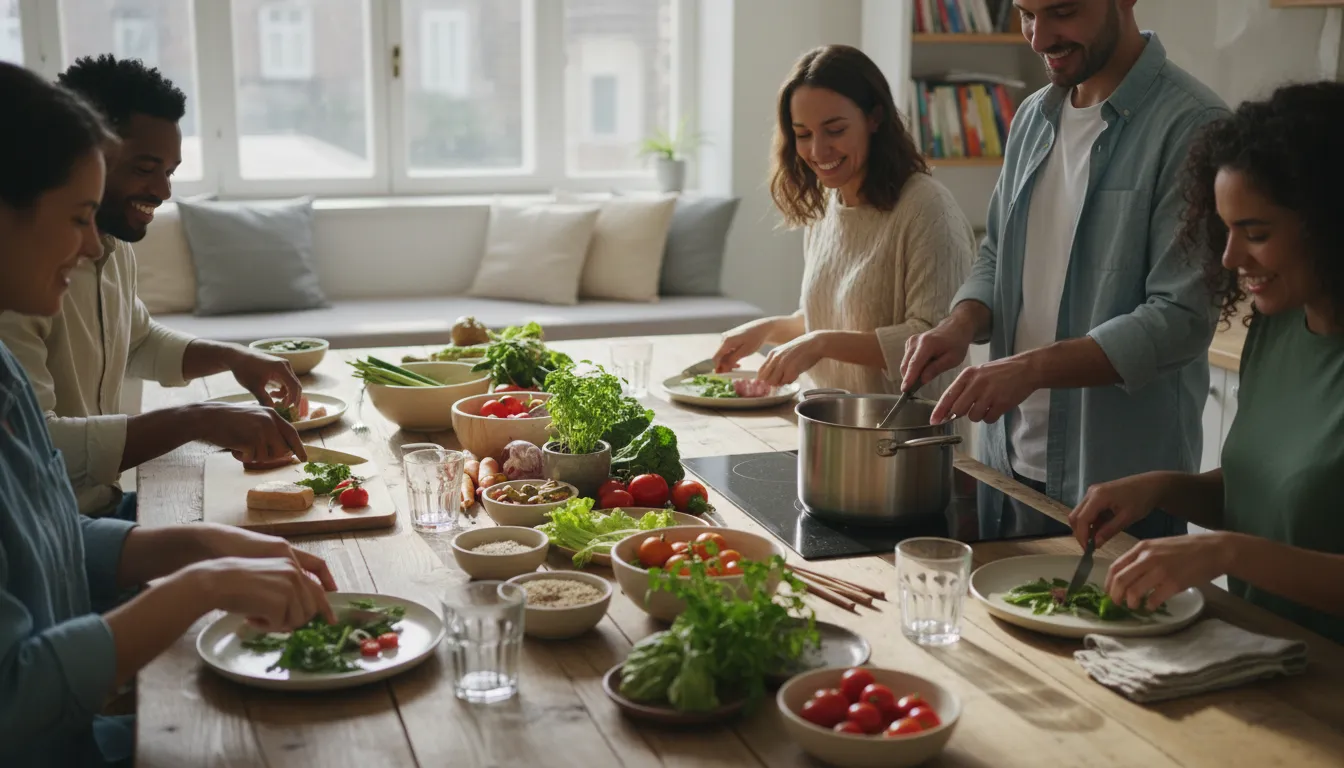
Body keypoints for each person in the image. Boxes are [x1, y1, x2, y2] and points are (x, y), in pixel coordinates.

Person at [0, 61, 337, 768]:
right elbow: (14, 702)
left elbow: (54, 534)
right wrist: (201, 584)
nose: (93, 244)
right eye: (76, 217)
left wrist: (202, 546)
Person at [900, 0, 1227, 537]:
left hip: (1119, 487)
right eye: (1027, 13)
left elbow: (1180, 318)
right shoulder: (1032, 116)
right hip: (1006, 465)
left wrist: (1030, 370)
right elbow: (998, 251)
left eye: (1063, 12)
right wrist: (960, 323)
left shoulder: (1194, 126)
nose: (1038, 37)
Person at [1070, 82, 1344, 643]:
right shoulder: (1277, 324)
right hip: (1261, 655)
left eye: (1257, 233)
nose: (1230, 257)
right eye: (1226, 229)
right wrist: (1161, 488)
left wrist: (1226, 551)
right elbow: (1271, 499)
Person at [0, 55, 307, 521]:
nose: (163, 191)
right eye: (145, 168)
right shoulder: (26, 278)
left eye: (170, 171)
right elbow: (36, 451)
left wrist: (231, 356)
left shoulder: (112, 243)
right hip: (65, 521)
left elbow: (137, 340)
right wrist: (196, 419)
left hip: (101, 508)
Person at [712, 45, 975, 400]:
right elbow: (834, 319)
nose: (818, 152)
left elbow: (932, 340)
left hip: (909, 438)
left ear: (874, 118)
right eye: (803, 134)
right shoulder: (825, 203)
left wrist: (819, 343)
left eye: (834, 130)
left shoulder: (928, 209)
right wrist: (768, 329)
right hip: (829, 426)